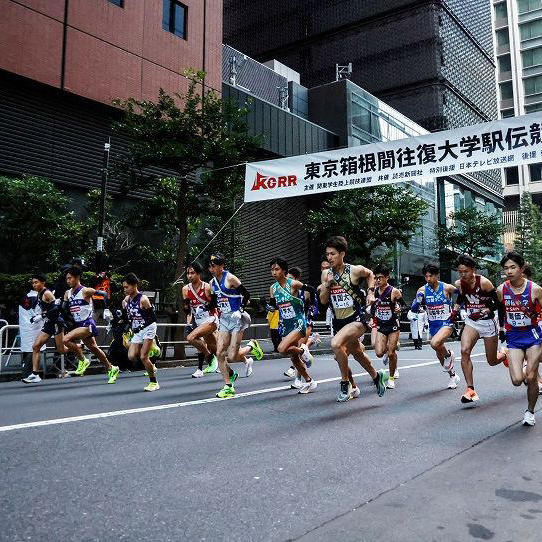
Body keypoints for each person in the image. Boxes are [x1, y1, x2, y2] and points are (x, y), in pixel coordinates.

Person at [319, 236, 388, 402]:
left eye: (333, 254)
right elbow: (322, 300)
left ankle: (345, 384)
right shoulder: (325, 274)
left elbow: (370, 274)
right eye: (327, 254)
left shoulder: (354, 270)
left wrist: (371, 292)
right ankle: (376, 376)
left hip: (357, 318)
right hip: (338, 321)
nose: (329, 257)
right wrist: (328, 285)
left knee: (336, 345)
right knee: (357, 353)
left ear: (342, 253)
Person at [496, 252, 542, 426]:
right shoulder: (501, 290)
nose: (509, 271)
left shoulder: (535, 289)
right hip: (513, 338)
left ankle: (530, 412)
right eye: (506, 268)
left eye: (513, 267)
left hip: (533, 336)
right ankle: (514, 358)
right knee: (517, 380)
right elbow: (501, 311)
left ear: (521, 269)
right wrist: (501, 328)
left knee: (530, 377)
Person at [208, 254, 262, 398]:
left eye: (214, 266)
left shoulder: (230, 278)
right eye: (210, 266)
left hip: (237, 318)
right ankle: (228, 386)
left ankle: (251, 346)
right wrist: (205, 306)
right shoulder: (212, 283)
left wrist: (241, 309)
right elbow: (214, 302)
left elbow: (246, 294)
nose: (211, 269)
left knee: (232, 356)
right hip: (225, 319)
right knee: (219, 353)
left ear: (221, 266)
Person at [455, 254, 502, 404]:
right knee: (464, 350)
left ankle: (505, 355)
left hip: (488, 323)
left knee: (492, 360)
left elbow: (498, 303)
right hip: (472, 322)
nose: (463, 275)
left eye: (466, 271)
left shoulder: (484, 283)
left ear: (473, 270)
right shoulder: (460, 283)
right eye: (460, 271)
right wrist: (455, 310)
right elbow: (461, 298)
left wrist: (487, 310)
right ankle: (470, 389)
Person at [61, 266, 120, 384]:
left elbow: (103, 294)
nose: (68, 281)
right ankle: (111, 368)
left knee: (65, 339)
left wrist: (106, 308)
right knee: (94, 348)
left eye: (70, 278)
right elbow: (64, 308)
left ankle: (83, 360)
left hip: (87, 323)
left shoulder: (85, 291)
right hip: (78, 324)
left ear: (77, 278)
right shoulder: (67, 293)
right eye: (66, 279)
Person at [269, 258, 317, 393]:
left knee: (282, 349)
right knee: (294, 358)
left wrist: (309, 307)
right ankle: (309, 381)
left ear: (284, 271)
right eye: (272, 269)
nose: (274, 272)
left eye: (277, 269)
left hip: (298, 322)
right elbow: (274, 306)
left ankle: (303, 351)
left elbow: (312, 290)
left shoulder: (293, 284)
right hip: (286, 324)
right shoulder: (273, 288)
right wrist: (269, 307)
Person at [410, 263, 461, 389]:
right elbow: (414, 309)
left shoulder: (446, 287)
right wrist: (418, 300)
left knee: (434, 343)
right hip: (433, 324)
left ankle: (449, 355)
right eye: (426, 276)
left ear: (436, 276)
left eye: (430, 276)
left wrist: (455, 309)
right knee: (439, 352)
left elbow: (462, 294)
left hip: (447, 323)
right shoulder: (422, 290)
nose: (428, 279)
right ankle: (452, 376)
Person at [22, 273, 67, 384]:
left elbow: (57, 309)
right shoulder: (38, 294)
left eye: (36, 282)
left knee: (62, 350)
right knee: (36, 346)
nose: (34, 285)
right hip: (48, 324)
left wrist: (41, 316)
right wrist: (39, 316)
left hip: (56, 323)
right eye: (33, 283)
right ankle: (35, 374)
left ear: (43, 283)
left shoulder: (47, 293)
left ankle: (80, 348)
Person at [122, 273, 161, 391]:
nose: (125, 289)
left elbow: (152, 318)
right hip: (137, 330)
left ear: (134, 285)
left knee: (143, 357)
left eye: (126, 287)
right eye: (123, 287)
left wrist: (140, 328)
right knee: (131, 356)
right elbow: (127, 317)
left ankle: (153, 382)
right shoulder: (126, 300)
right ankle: (151, 349)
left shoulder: (143, 299)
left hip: (148, 328)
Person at [181, 262, 220, 378]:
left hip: (211, 320)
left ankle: (209, 358)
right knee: (216, 348)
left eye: (192, 273)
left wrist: (206, 306)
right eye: (188, 273)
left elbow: (215, 304)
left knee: (191, 338)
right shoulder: (185, 289)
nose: (190, 276)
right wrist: (188, 323)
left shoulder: (207, 287)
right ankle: (243, 358)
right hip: (199, 322)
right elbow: (188, 311)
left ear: (199, 274)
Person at [282, 266, 320, 384]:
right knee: (293, 351)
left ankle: (298, 378)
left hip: (305, 323)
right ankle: (306, 349)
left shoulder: (305, 292)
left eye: (290, 278)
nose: (288, 281)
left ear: (297, 279)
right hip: (290, 324)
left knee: (299, 346)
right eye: (286, 278)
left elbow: (314, 306)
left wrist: (311, 316)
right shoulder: (283, 292)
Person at [371, 264, 404, 390]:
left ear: (387, 278)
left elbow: (403, 306)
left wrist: (399, 309)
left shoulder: (394, 291)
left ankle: (391, 378)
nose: (378, 280)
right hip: (381, 325)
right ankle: (391, 349)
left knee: (391, 353)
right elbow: (374, 308)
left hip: (393, 325)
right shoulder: (375, 291)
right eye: (376, 278)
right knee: (379, 353)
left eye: (380, 278)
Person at [18, 288, 43, 380]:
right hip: (34, 327)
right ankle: (29, 374)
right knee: (33, 349)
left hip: (26, 327)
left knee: (29, 349)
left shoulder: (27, 296)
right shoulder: (35, 297)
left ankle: (27, 373)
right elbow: (38, 313)